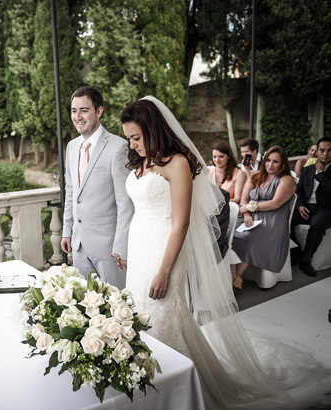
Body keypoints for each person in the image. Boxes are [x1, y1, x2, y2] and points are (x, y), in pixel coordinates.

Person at [120, 97, 307, 410]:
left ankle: (176, 389)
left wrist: (165, 270)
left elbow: (181, 223)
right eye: (129, 139)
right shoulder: (141, 162)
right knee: (139, 309)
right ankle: (147, 383)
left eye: (137, 137)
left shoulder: (177, 163)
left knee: (163, 311)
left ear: (153, 130)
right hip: (139, 243)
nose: (133, 144)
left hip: (165, 248)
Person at [61, 86, 134, 288]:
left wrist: (121, 246)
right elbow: (71, 193)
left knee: (117, 307)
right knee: (85, 307)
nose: (78, 117)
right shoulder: (71, 147)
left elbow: (124, 203)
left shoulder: (118, 147)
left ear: (98, 111)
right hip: (78, 246)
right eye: (74, 111)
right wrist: (67, 230)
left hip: (109, 249)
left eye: (84, 110)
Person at [230, 146, 296, 288]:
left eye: (275, 162)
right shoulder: (255, 176)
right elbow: (244, 197)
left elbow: (276, 203)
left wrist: (248, 208)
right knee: (230, 235)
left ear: (282, 164)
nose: (270, 165)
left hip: (272, 220)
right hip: (249, 216)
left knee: (249, 238)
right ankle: (234, 276)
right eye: (268, 161)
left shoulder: (286, 180)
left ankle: (234, 279)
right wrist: (247, 213)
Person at [290, 137, 331, 277]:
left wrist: (320, 174)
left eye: (329, 150)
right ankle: (296, 252)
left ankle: (305, 261)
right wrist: (300, 205)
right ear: (317, 152)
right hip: (306, 207)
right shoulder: (307, 170)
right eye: (322, 150)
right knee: (286, 219)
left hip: (325, 210)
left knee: (316, 225)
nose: (325, 154)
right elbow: (299, 191)